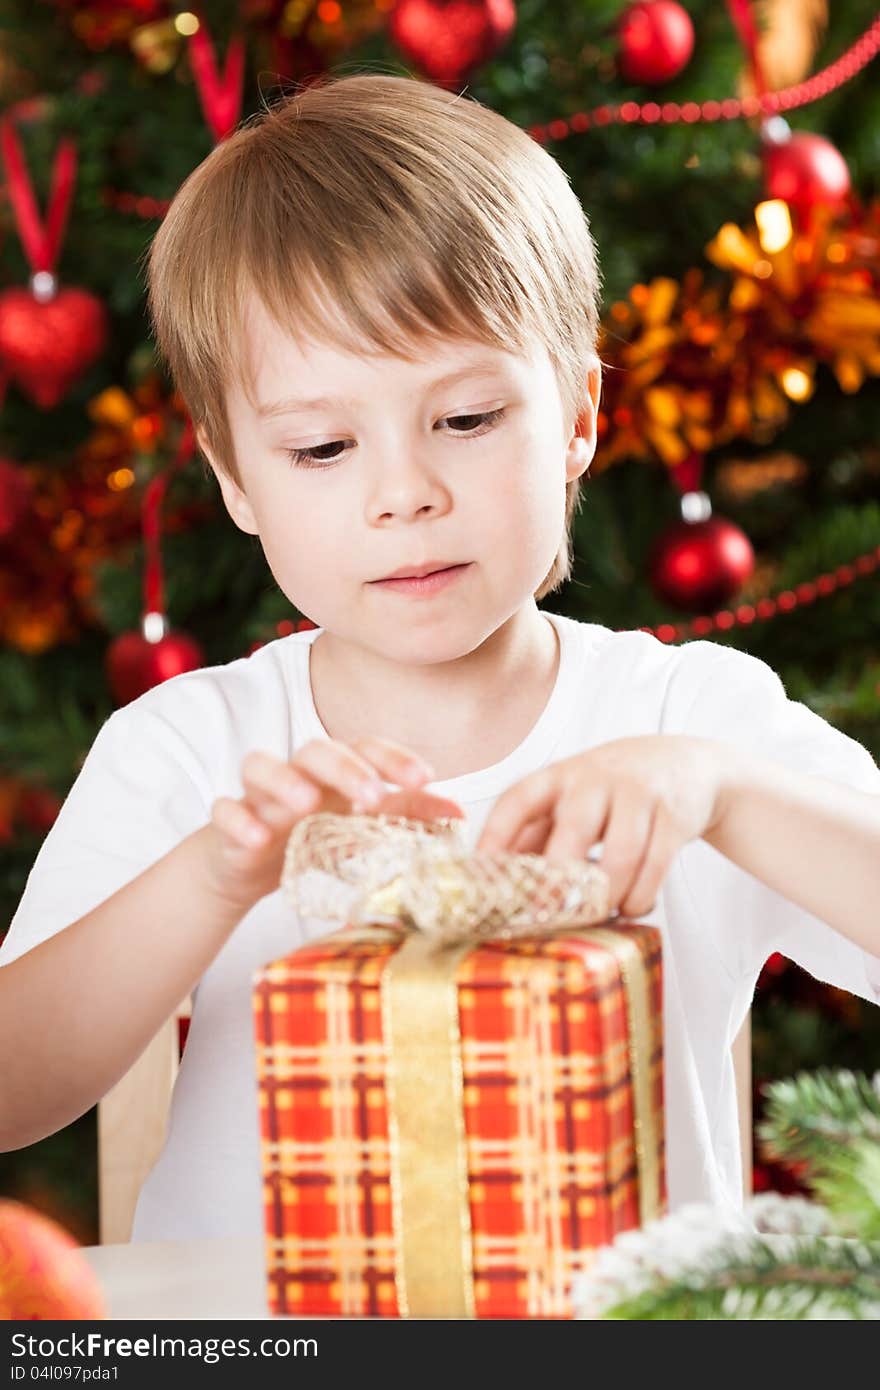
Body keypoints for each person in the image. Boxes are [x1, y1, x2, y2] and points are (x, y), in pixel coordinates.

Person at [1, 72, 878, 1247]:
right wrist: (213, 874)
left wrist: (725, 794)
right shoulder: (193, 749)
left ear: (575, 418)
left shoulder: (685, 716)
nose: (404, 493)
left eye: (465, 421)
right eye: (321, 446)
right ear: (235, 481)